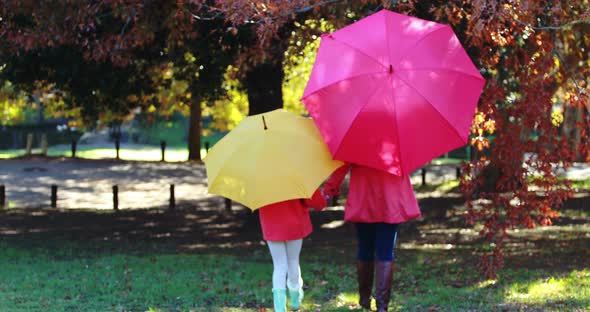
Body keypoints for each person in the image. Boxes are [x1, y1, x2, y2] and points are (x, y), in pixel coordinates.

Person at [323, 163, 421, 312]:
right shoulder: (396, 140)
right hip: (390, 198)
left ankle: (364, 301)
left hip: (363, 197)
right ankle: (382, 307)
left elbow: (342, 165)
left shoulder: (354, 141)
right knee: (386, 251)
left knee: (365, 248)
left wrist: (329, 190)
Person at [258, 188, 329, 312]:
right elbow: (317, 203)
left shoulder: (260, 177)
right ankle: (295, 299)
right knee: (293, 261)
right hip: (294, 223)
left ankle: (280, 307)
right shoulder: (297, 174)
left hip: (271, 223)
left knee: (279, 265)